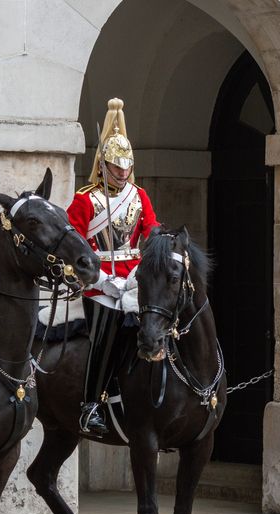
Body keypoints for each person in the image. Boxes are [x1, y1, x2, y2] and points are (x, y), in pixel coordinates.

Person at [66, 98, 159, 436]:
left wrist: (144, 266)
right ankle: (90, 404)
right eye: (116, 166)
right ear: (102, 165)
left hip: (134, 278)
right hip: (99, 282)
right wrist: (103, 281)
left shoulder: (139, 196)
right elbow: (74, 249)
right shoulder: (85, 199)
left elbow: (151, 232)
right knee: (106, 331)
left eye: (126, 165)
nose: (123, 172)